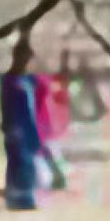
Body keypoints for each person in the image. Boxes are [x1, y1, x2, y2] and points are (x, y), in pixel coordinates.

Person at [0, 37, 47, 211]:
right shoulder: (9, 80)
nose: (26, 62)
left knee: (29, 162)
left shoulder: (29, 80)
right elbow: (5, 105)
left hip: (29, 125)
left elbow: (38, 100)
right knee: (18, 162)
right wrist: (10, 127)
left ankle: (27, 196)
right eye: (23, 57)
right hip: (15, 128)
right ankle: (17, 199)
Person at [35, 46, 78, 191]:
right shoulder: (51, 85)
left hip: (49, 127)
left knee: (51, 152)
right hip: (49, 127)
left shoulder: (53, 87)